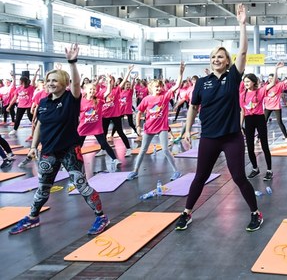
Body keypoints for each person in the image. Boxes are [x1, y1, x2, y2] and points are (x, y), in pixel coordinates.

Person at [175, 4, 263, 232]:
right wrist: (187, 128)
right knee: (200, 177)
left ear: (227, 61)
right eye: (214, 56)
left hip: (232, 137)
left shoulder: (233, 77)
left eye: (220, 56)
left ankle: (255, 213)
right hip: (209, 137)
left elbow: (243, 52)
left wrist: (243, 25)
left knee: (238, 177)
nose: (216, 59)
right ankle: (187, 212)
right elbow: (193, 107)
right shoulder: (201, 83)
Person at [9, 44, 109, 235]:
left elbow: (77, 85)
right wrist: (33, 146)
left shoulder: (71, 99)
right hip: (48, 152)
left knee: (81, 185)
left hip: (70, 151)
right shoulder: (44, 102)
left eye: (55, 80)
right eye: (48, 80)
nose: (51, 83)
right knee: (43, 189)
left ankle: (101, 217)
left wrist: (72, 62)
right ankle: (32, 217)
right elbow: (40, 124)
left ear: (64, 83)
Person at [126, 61, 185, 181]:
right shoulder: (147, 99)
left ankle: (176, 171)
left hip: (162, 127)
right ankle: (135, 171)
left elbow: (177, 85)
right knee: (142, 150)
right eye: (156, 87)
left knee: (165, 149)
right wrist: (138, 125)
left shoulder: (164, 96)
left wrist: (180, 73)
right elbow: (139, 112)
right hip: (149, 128)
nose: (158, 88)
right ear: (150, 88)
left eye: (159, 86)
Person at [240, 70, 271, 181]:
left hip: (259, 118)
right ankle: (255, 168)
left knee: (264, 145)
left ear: (253, 82)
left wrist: (276, 70)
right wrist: (240, 125)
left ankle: (269, 171)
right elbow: (242, 111)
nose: (246, 83)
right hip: (248, 120)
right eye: (244, 81)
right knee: (249, 146)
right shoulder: (242, 95)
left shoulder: (260, 91)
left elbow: (272, 84)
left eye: (248, 81)